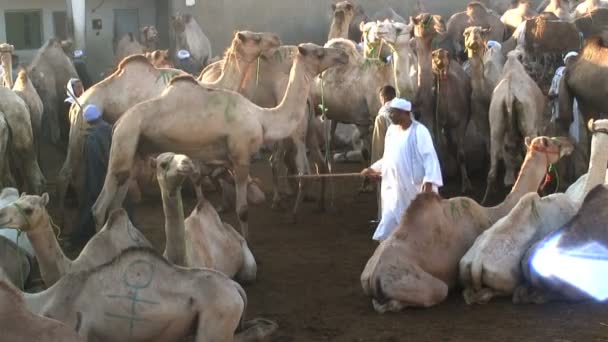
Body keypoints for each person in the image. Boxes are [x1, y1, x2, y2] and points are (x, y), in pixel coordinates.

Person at [361, 98, 443, 241]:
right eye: (390, 113)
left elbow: (430, 159)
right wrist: (372, 169)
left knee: (417, 228)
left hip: (413, 189)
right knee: (388, 228)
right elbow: (388, 158)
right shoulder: (391, 132)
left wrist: (429, 182)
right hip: (394, 190)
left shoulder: (420, 132)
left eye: (393, 113)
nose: (390, 116)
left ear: (405, 113)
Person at [75, 105, 135, 245]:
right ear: (100, 116)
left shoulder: (90, 139)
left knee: (93, 204)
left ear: (88, 121)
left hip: (99, 179)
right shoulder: (115, 130)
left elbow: (94, 167)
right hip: (119, 176)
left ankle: (91, 239)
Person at [370, 85, 397, 221]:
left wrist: (374, 169)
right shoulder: (407, 114)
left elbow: (378, 147)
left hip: (388, 165)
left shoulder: (382, 118)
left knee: (386, 198)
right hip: (406, 165)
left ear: (383, 98)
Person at [549, 51, 580, 143]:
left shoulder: (578, 74)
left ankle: (573, 146)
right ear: (565, 61)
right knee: (556, 125)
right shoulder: (559, 71)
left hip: (572, 103)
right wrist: (552, 93)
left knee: (572, 126)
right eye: (568, 60)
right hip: (557, 102)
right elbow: (553, 86)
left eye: (573, 60)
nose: (570, 62)